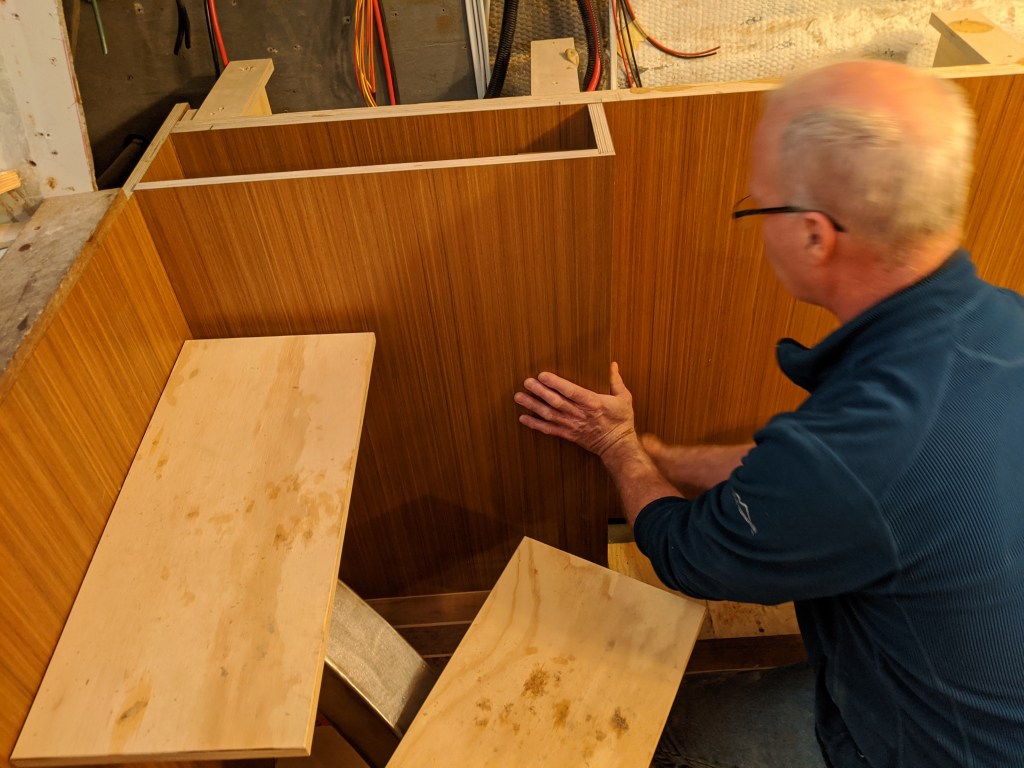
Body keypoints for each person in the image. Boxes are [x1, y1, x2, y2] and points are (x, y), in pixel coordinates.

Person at [514, 60, 1024, 768]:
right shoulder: (1001, 326)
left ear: (815, 235)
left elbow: (689, 554)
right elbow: (826, 486)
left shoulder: (855, 451)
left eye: (759, 207)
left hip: (933, 749)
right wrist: (665, 455)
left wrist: (618, 449)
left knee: (654, 740)